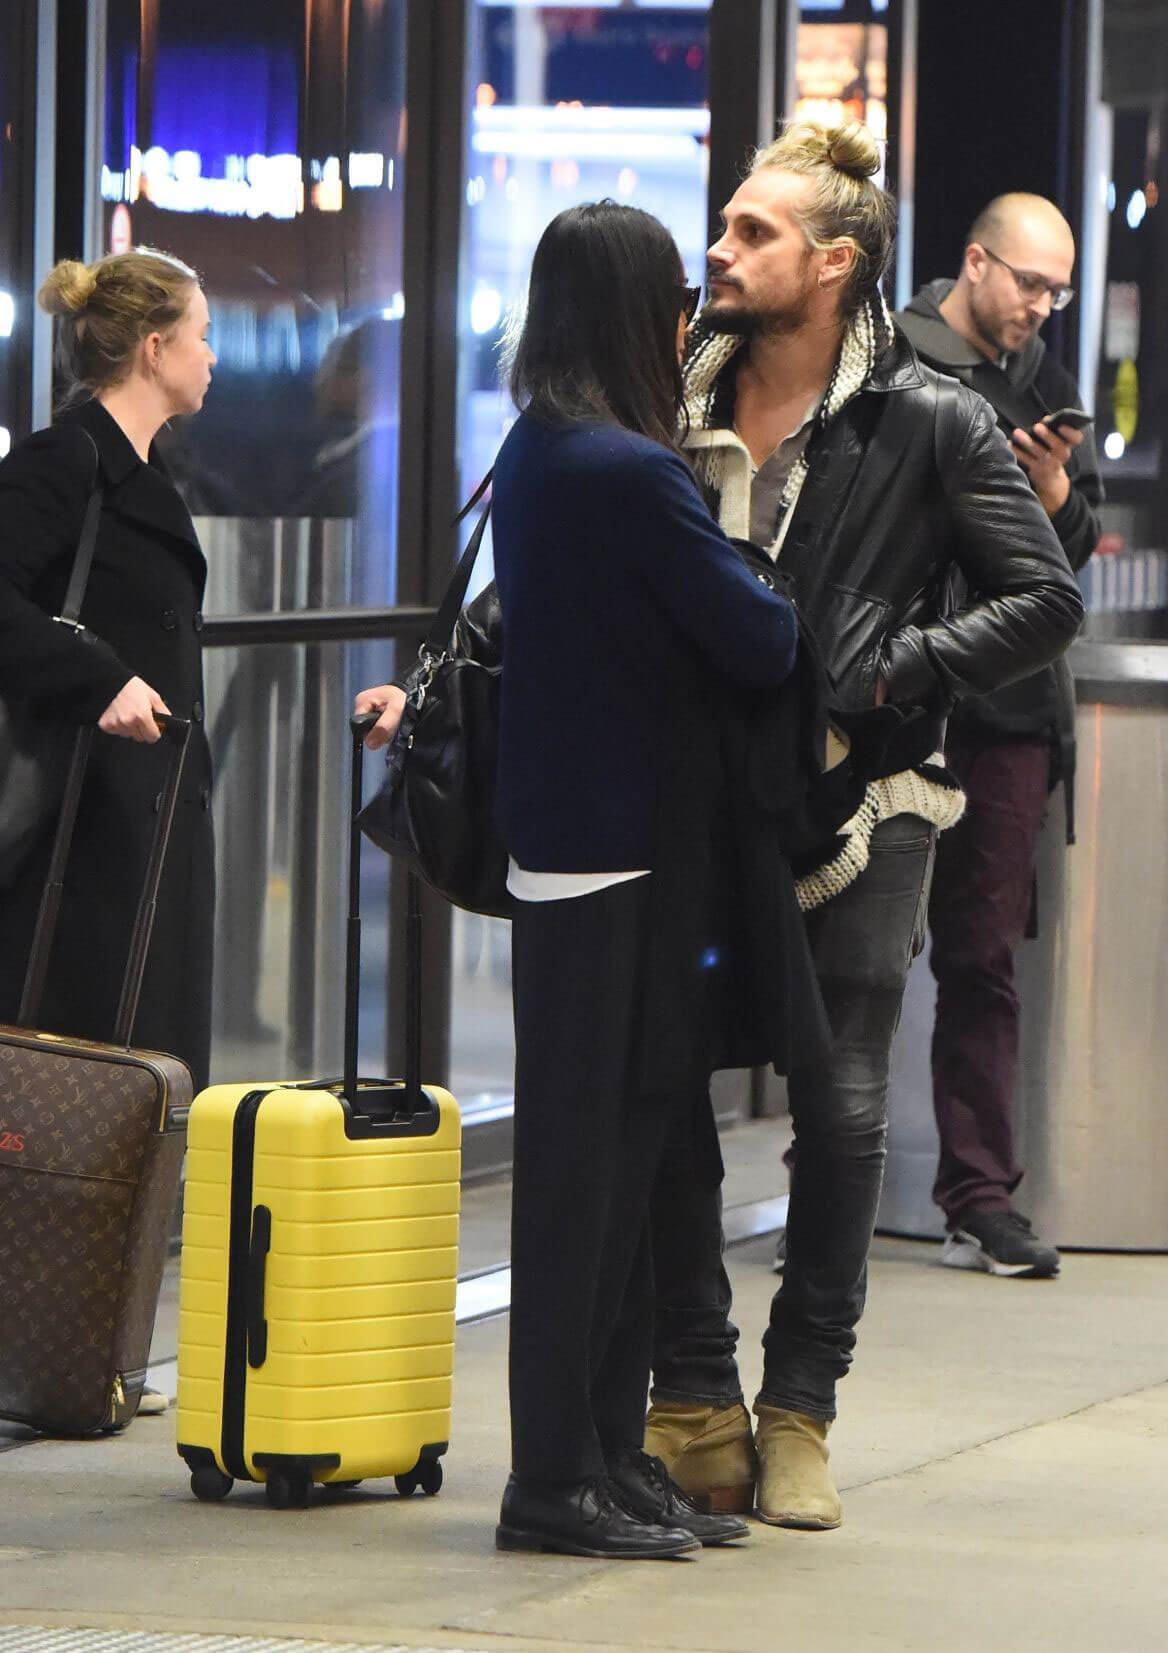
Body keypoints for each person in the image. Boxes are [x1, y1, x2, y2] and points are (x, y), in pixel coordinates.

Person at [356, 200, 833, 1559]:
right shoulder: (623, 470)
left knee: (622, 1161)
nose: (690, 318)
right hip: (610, 858)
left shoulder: (543, 449)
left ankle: (611, 1456)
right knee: (584, 1176)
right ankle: (553, 1479)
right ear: (641, 314)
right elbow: (755, 636)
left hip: (586, 848)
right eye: (675, 297)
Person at [643, 123, 1084, 1531]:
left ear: (833, 265)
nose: (721, 250)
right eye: (725, 225)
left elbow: (1047, 597)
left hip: (871, 796)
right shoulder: (670, 397)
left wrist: (894, 668)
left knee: (837, 1110)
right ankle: (697, 1396)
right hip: (700, 792)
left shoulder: (928, 418)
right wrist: (427, 687)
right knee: (668, 1092)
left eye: (753, 233)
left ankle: (801, 1409)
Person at [0, 250, 218, 1416]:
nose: (214, 354)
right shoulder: (66, 460)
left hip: (143, 832)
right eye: (200, 333)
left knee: (133, 1087)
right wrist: (97, 677)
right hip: (82, 843)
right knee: (71, 1093)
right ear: (152, 349)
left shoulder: (134, 465)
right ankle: (55, 1352)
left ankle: (90, 1355)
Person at [895, 195, 1103, 1280]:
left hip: (1011, 710)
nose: (1039, 305)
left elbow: (1077, 537)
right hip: (898, 698)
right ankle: (824, 1182)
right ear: (973, 262)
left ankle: (980, 1195)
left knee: (983, 959)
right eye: (1028, 282)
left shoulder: (1046, 384)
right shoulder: (896, 359)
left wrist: (1054, 489)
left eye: (1056, 289)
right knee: (855, 957)